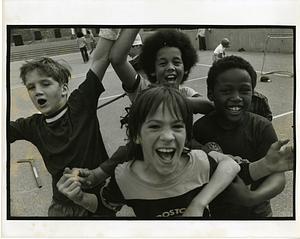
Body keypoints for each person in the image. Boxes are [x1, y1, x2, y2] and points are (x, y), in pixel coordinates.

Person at [57, 86, 293, 218]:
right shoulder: (124, 177)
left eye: (177, 126)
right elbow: (104, 206)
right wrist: (79, 198)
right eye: (155, 126)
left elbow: (236, 170)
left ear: (186, 134)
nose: (168, 136)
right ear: (137, 135)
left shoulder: (198, 163)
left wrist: (267, 165)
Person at [9, 29, 122, 217]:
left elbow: (101, 59)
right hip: (61, 208)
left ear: (63, 88)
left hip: (97, 202)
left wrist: (110, 29)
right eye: (31, 87)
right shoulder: (31, 126)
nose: (37, 91)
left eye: (45, 84)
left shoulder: (81, 104)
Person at [193, 55, 289, 218]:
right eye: (226, 91)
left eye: (244, 90)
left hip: (258, 213)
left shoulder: (261, 127)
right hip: (219, 214)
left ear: (252, 92)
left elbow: (277, 174)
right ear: (211, 94)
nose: (236, 97)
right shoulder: (201, 128)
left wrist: (251, 198)